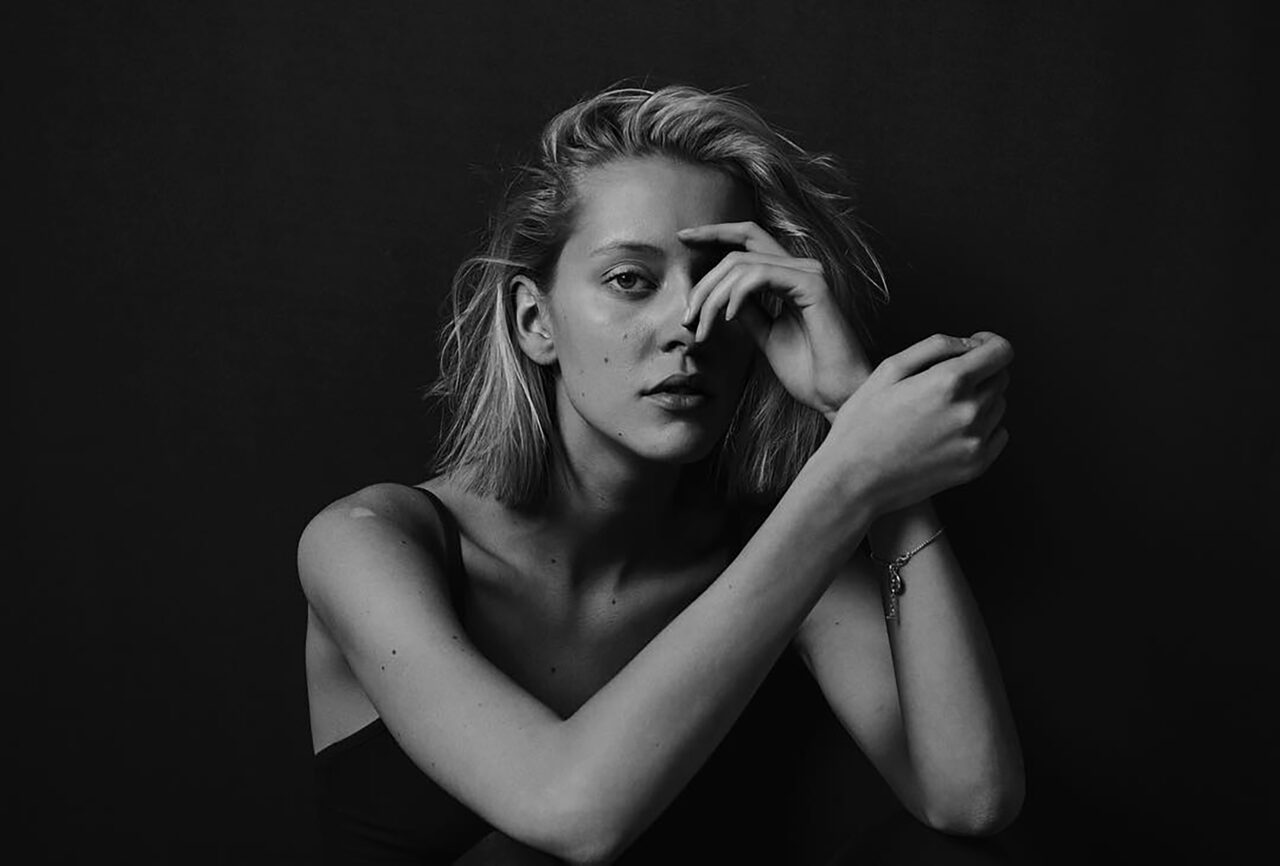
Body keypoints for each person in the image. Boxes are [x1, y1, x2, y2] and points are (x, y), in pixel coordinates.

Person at [298, 83, 1024, 865]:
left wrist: (869, 434)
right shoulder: (369, 543)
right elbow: (570, 810)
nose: (689, 324)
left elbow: (969, 799)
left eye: (720, 283)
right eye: (631, 280)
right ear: (535, 322)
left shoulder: (762, 553)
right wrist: (853, 472)